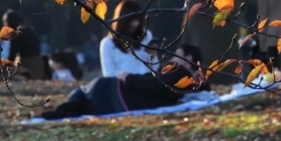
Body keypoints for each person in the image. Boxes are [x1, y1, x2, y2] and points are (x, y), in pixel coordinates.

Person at [40, 44, 207, 120]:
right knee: (83, 105)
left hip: (116, 93)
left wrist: (128, 77)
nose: (172, 58)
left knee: (82, 93)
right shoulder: (192, 84)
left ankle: (56, 112)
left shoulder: (178, 70)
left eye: (177, 54)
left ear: (188, 58)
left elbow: (155, 83)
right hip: (120, 104)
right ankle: (58, 112)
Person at [100, 0, 157, 77]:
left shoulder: (146, 36)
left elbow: (155, 69)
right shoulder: (108, 43)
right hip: (122, 87)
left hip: (144, 85)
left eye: (137, 19)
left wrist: (153, 56)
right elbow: (108, 74)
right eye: (130, 20)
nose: (134, 24)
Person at [2, 10, 45, 78]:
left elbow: (12, 55)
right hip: (39, 64)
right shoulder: (30, 29)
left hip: (25, 64)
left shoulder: (16, 34)